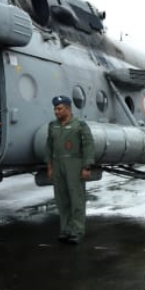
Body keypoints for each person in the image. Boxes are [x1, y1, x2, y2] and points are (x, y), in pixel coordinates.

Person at [46, 95, 95, 244]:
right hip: (58, 163)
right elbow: (49, 147)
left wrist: (87, 166)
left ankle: (77, 231)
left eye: (59, 109)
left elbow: (88, 145)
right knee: (62, 199)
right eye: (55, 109)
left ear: (68, 109)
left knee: (76, 199)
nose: (56, 112)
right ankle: (65, 230)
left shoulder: (80, 125)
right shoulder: (52, 125)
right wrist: (49, 166)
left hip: (75, 163)